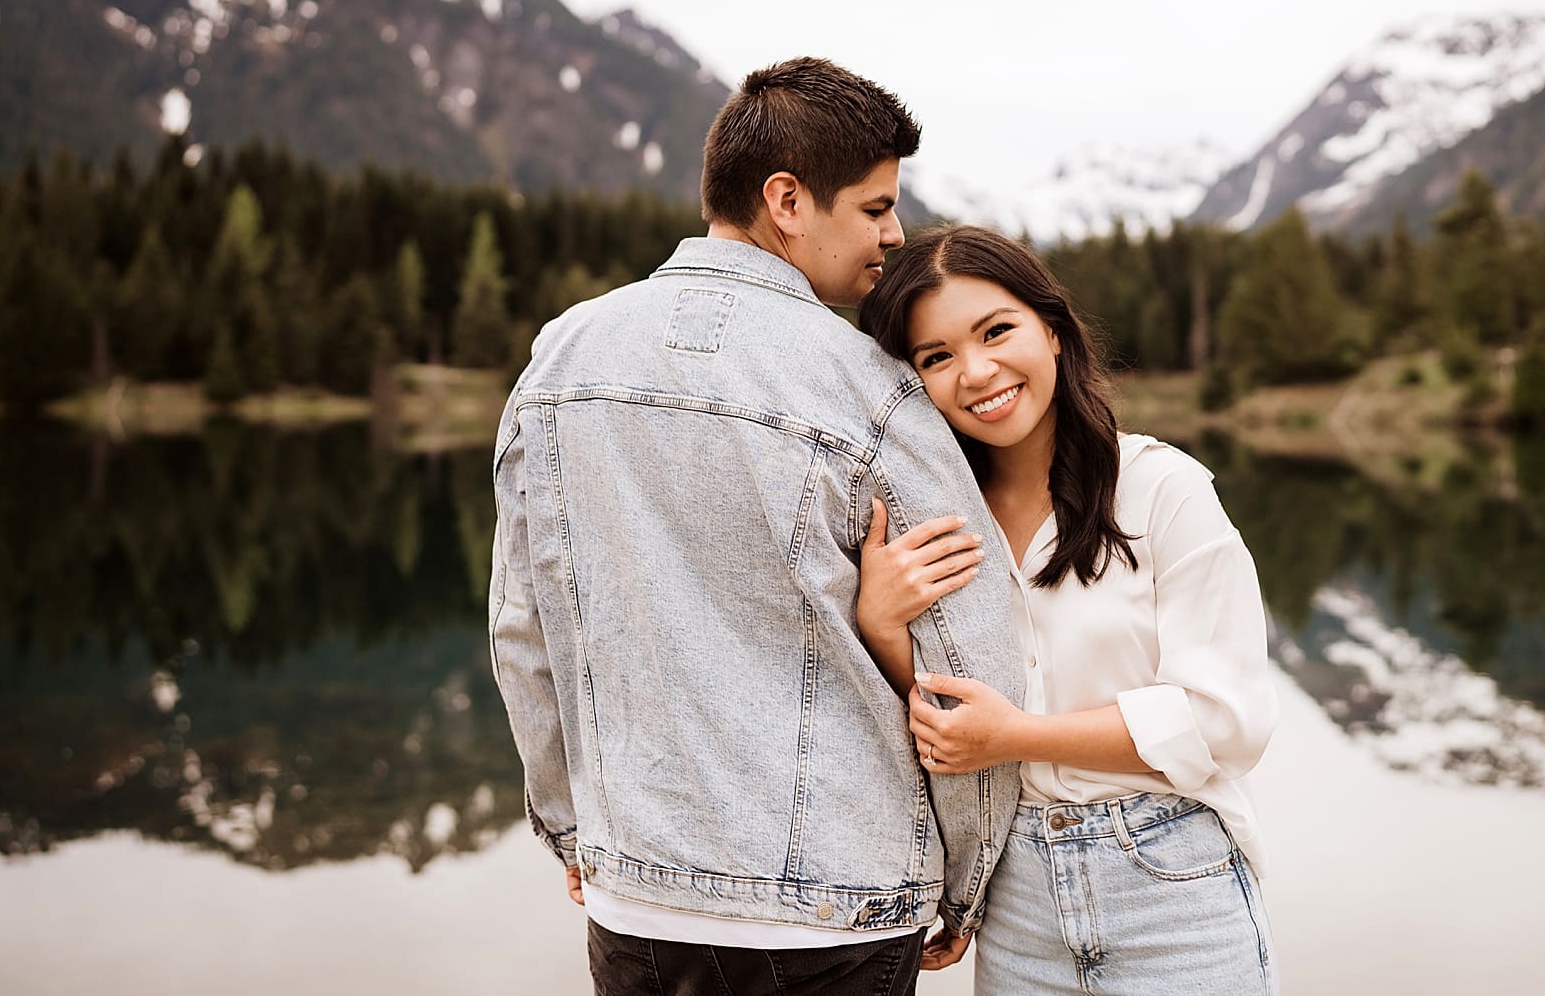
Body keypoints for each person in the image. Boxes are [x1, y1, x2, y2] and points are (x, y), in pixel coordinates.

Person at [488, 58, 1023, 996]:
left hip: (635, 901)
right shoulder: (871, 389)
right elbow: (967, 660)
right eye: (872, 208)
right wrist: (967, 882)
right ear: (787, 201)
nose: (894, 235)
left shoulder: (560, 358)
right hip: (838, 909)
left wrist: (573, 828)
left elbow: (524, 629)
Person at [856, 224, 1280, 995]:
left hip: (1170, 886)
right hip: (1014, 895)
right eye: (936, 356)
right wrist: (882, 625)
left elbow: (1224, 721)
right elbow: (936, 728)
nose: (977, 372)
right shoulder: (928, 521)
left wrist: (1016, 737)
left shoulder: (1162, 488)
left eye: (996, 331)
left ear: (1051, 329)